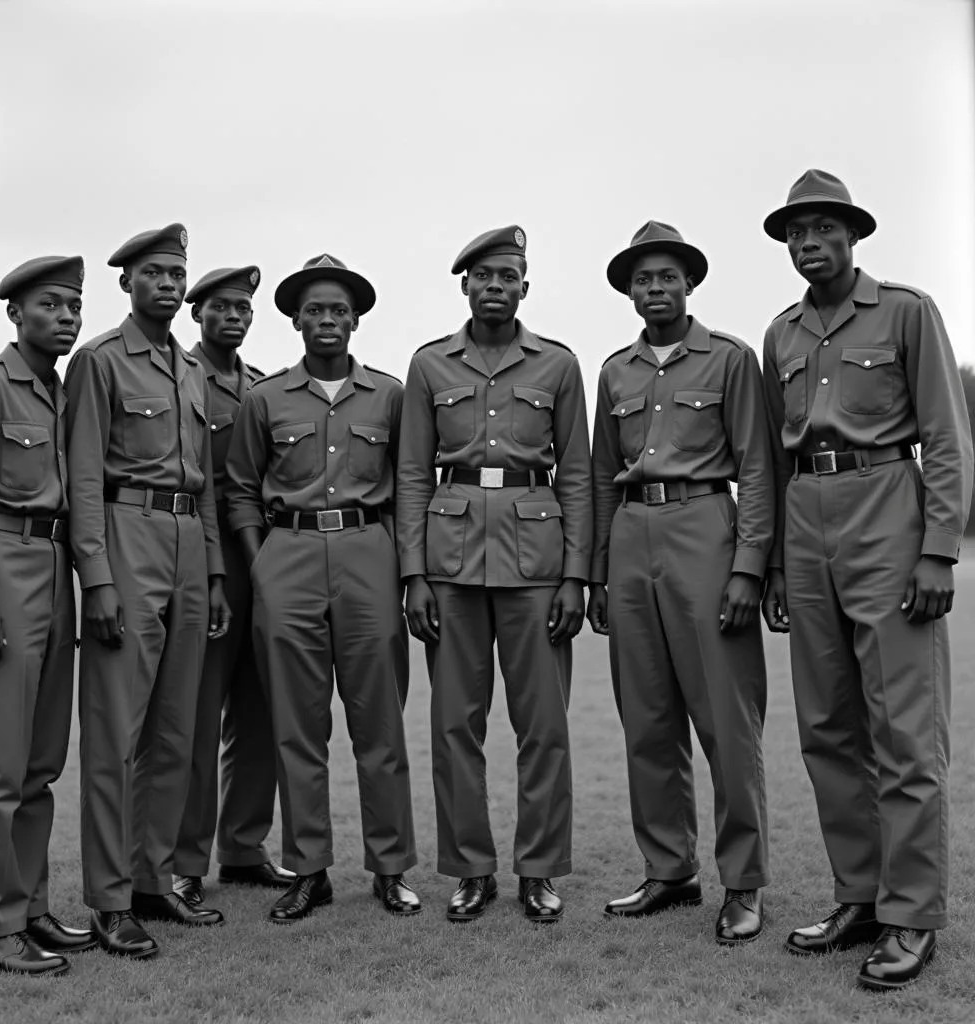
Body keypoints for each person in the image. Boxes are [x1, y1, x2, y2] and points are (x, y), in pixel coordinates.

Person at [760, 170, 974, 990]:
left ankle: (912, 915)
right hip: (806, 514)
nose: (810, 244)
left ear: (853, 235)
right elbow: (776, 457)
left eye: (824, 229)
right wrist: (779, 559)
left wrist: (938, 550)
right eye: (797, 234)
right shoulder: (782, 333)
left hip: (888, 503)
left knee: (905, 730)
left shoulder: (906, 311)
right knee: (827, 725)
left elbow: (948, 438)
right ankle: (861, 896)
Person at [397, 225, 591, 923]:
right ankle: (470, 870)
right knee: (455, 725)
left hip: (537, 564)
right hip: (449, 565)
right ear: (466, 285)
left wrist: (577, 577)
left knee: (543, 727)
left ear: (525, 287)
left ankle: (538, 870)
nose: (496, 288)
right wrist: (413, 575)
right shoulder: (429, 365)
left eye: (508, 277)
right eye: (484, 277)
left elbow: (576, 474)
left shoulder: (558, 365)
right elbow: (413, 474)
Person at [587, 221, 773, 945]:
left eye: (666, 276)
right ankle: (669, 870)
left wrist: (748, 565)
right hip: (633, 539)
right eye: (642, 279)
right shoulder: (615, 371)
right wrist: (602, 571)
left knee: (726, 720)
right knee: (647, 717)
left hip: (704, 531)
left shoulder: (729, 359)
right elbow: (604, 476)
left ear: (689, 283)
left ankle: (744, 883)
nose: (654, 288)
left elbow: (757, 466)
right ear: (628, 291)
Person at [226, 254, 418, 923]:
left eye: (339, 310)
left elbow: (410, 488)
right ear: (295, 320)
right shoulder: (264, 399)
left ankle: (391, 869)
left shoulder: (390, 396)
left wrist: (399, 563)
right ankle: (310, 869)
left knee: (380, 725)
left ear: (356, 319)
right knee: (295, 728)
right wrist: (262, 566)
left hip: (369, 553)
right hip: (289, 555)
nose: (328, 320)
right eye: (315, 310)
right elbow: (242, 491)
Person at [65, 223, 230, 959]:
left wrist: (218, 571)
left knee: (176, 729)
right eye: (155, 273)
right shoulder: (99, 361)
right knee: (114, 734)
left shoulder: (189, 369)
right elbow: (84, 479)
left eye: (176, 274)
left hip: (190, 540)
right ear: (127, 282)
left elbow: (211, 483)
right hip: (127, 535)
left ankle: (151, 881)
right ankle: (107, 899)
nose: (168, 284)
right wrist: (95, 576)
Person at [0, 256, 92, 976]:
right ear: (15, 313)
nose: (66, 316)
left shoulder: (61, 393)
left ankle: (29, 909)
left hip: (55, 571)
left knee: (40, 763)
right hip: (0, 566)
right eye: (51, 305)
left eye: (74, 305)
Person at [172, 265, 293, 908]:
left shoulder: (263, 387)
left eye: (243, 308)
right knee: (197, 713)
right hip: (201, 559)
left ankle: (244, 849)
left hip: (265, 556)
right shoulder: (182, 377)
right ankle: (185, 860)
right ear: (198, 315)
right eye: (221, 307)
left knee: (261, 708)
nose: (235, 317)